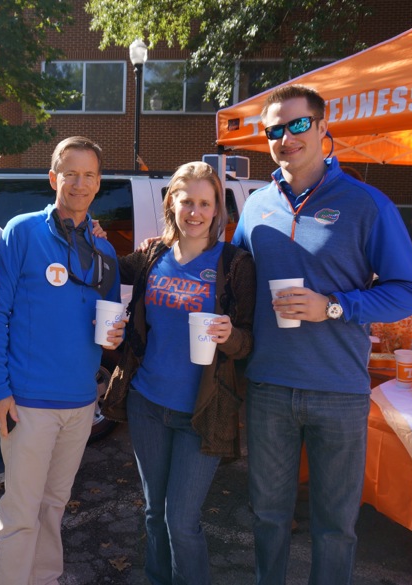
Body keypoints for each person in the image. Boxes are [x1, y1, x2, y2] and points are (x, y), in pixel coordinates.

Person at [230, 84, 412, 585]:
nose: (285, 137)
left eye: (298, 125)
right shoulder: (256, 205)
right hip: (269, 387)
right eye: (275, 129)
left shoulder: (367, 204)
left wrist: (336, 305)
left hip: (338, 391)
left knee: (335, 527)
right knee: (268, 518)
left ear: (323, 129)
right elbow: (232, 276)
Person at [101, 161, 255, 585]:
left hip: (201, 412)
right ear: (172, 203)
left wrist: (229, 336)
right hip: (148, 404)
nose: (195, 211)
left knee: (182, 521)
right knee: (154, 513)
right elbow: (107, 270)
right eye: (187, 201)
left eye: (205, 203)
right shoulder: (154, 254)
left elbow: (248, 341)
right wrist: (90, 237)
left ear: (216, 209)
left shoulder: (234, 264)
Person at [0, 136, 123, 585]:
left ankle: (44, 578)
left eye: (88, 175)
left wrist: (114, 334)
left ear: (98, 183)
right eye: (70, 173)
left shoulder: (104, 250)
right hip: (27, 402)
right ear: (53, 177)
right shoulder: (22, 231)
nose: (79, 184)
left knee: (53, 506)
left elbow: (110, 318)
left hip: (82, 403)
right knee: (21, 511)